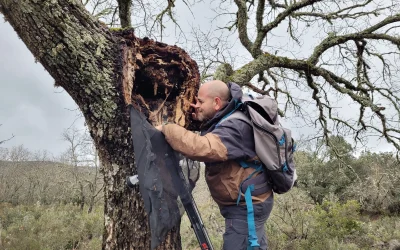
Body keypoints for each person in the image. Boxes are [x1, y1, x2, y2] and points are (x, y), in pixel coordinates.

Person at [155, 80, 273, 250]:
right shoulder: (227, 118)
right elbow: (214, 132)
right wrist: (200, 117)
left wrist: (167, 128)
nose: (196, 105)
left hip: (246, 207)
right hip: (250, 203)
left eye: (201, 102)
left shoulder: (235, 126)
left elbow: (204, 148)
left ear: (217, 102)